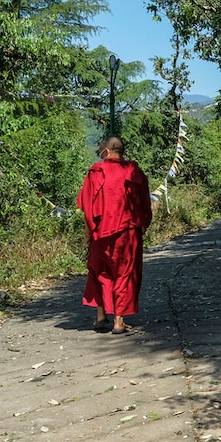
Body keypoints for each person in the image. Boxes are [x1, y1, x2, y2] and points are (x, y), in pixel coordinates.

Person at [77, 136, 153, 334]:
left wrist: (87, 234)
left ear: (107, 151)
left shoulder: (96, 172)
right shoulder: (133, 172)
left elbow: (88, 208)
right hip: (127, 233)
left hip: (100, 234)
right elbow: (144, 202)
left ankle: (101, 316)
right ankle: (118, 321)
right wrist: (143, 224)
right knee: (124, 273)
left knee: (99, 271)